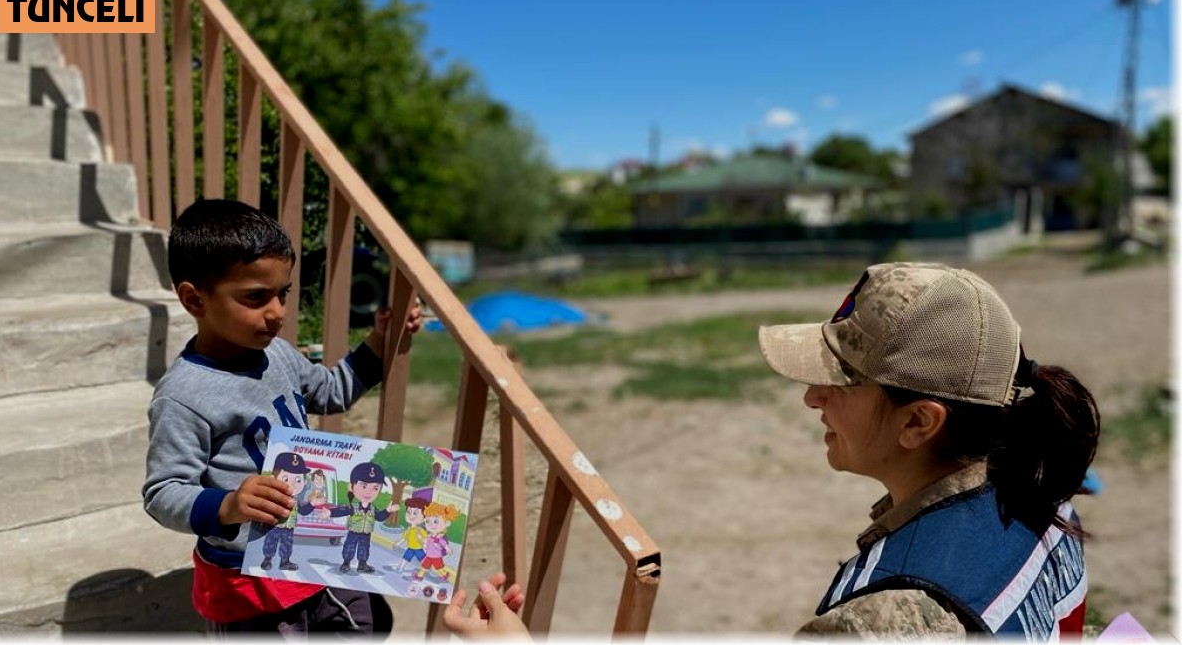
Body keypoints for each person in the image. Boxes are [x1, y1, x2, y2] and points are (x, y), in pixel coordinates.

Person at [441, 262, 1100, 640]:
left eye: (840, 380)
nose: (812, 397)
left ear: (920, 422)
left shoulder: (882, 622)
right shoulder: (1043, 503)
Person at [142, 198, 423, 636]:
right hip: (246, 583)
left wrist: (378, 340)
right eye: (256, 297)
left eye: (283, 293)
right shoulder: (182, 397)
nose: (278, 313)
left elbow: (332, 391)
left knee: (371, 623)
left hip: (315, 549)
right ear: (194, 299)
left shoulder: (278, 353)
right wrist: (230, 504)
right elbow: (163, 492)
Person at [324, 461, 392, 574]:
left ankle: (362, 564)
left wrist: (387, 511)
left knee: (364, 548)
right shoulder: (354, 506)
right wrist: (330, 512)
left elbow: (379, 517)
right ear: (352, 487)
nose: (369, 492)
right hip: (353, 532)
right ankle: (346, 563)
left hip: (366, 533)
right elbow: (342, 510)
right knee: (349, 546)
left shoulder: (373, 508)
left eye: (375, 488)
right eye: (364, 486)